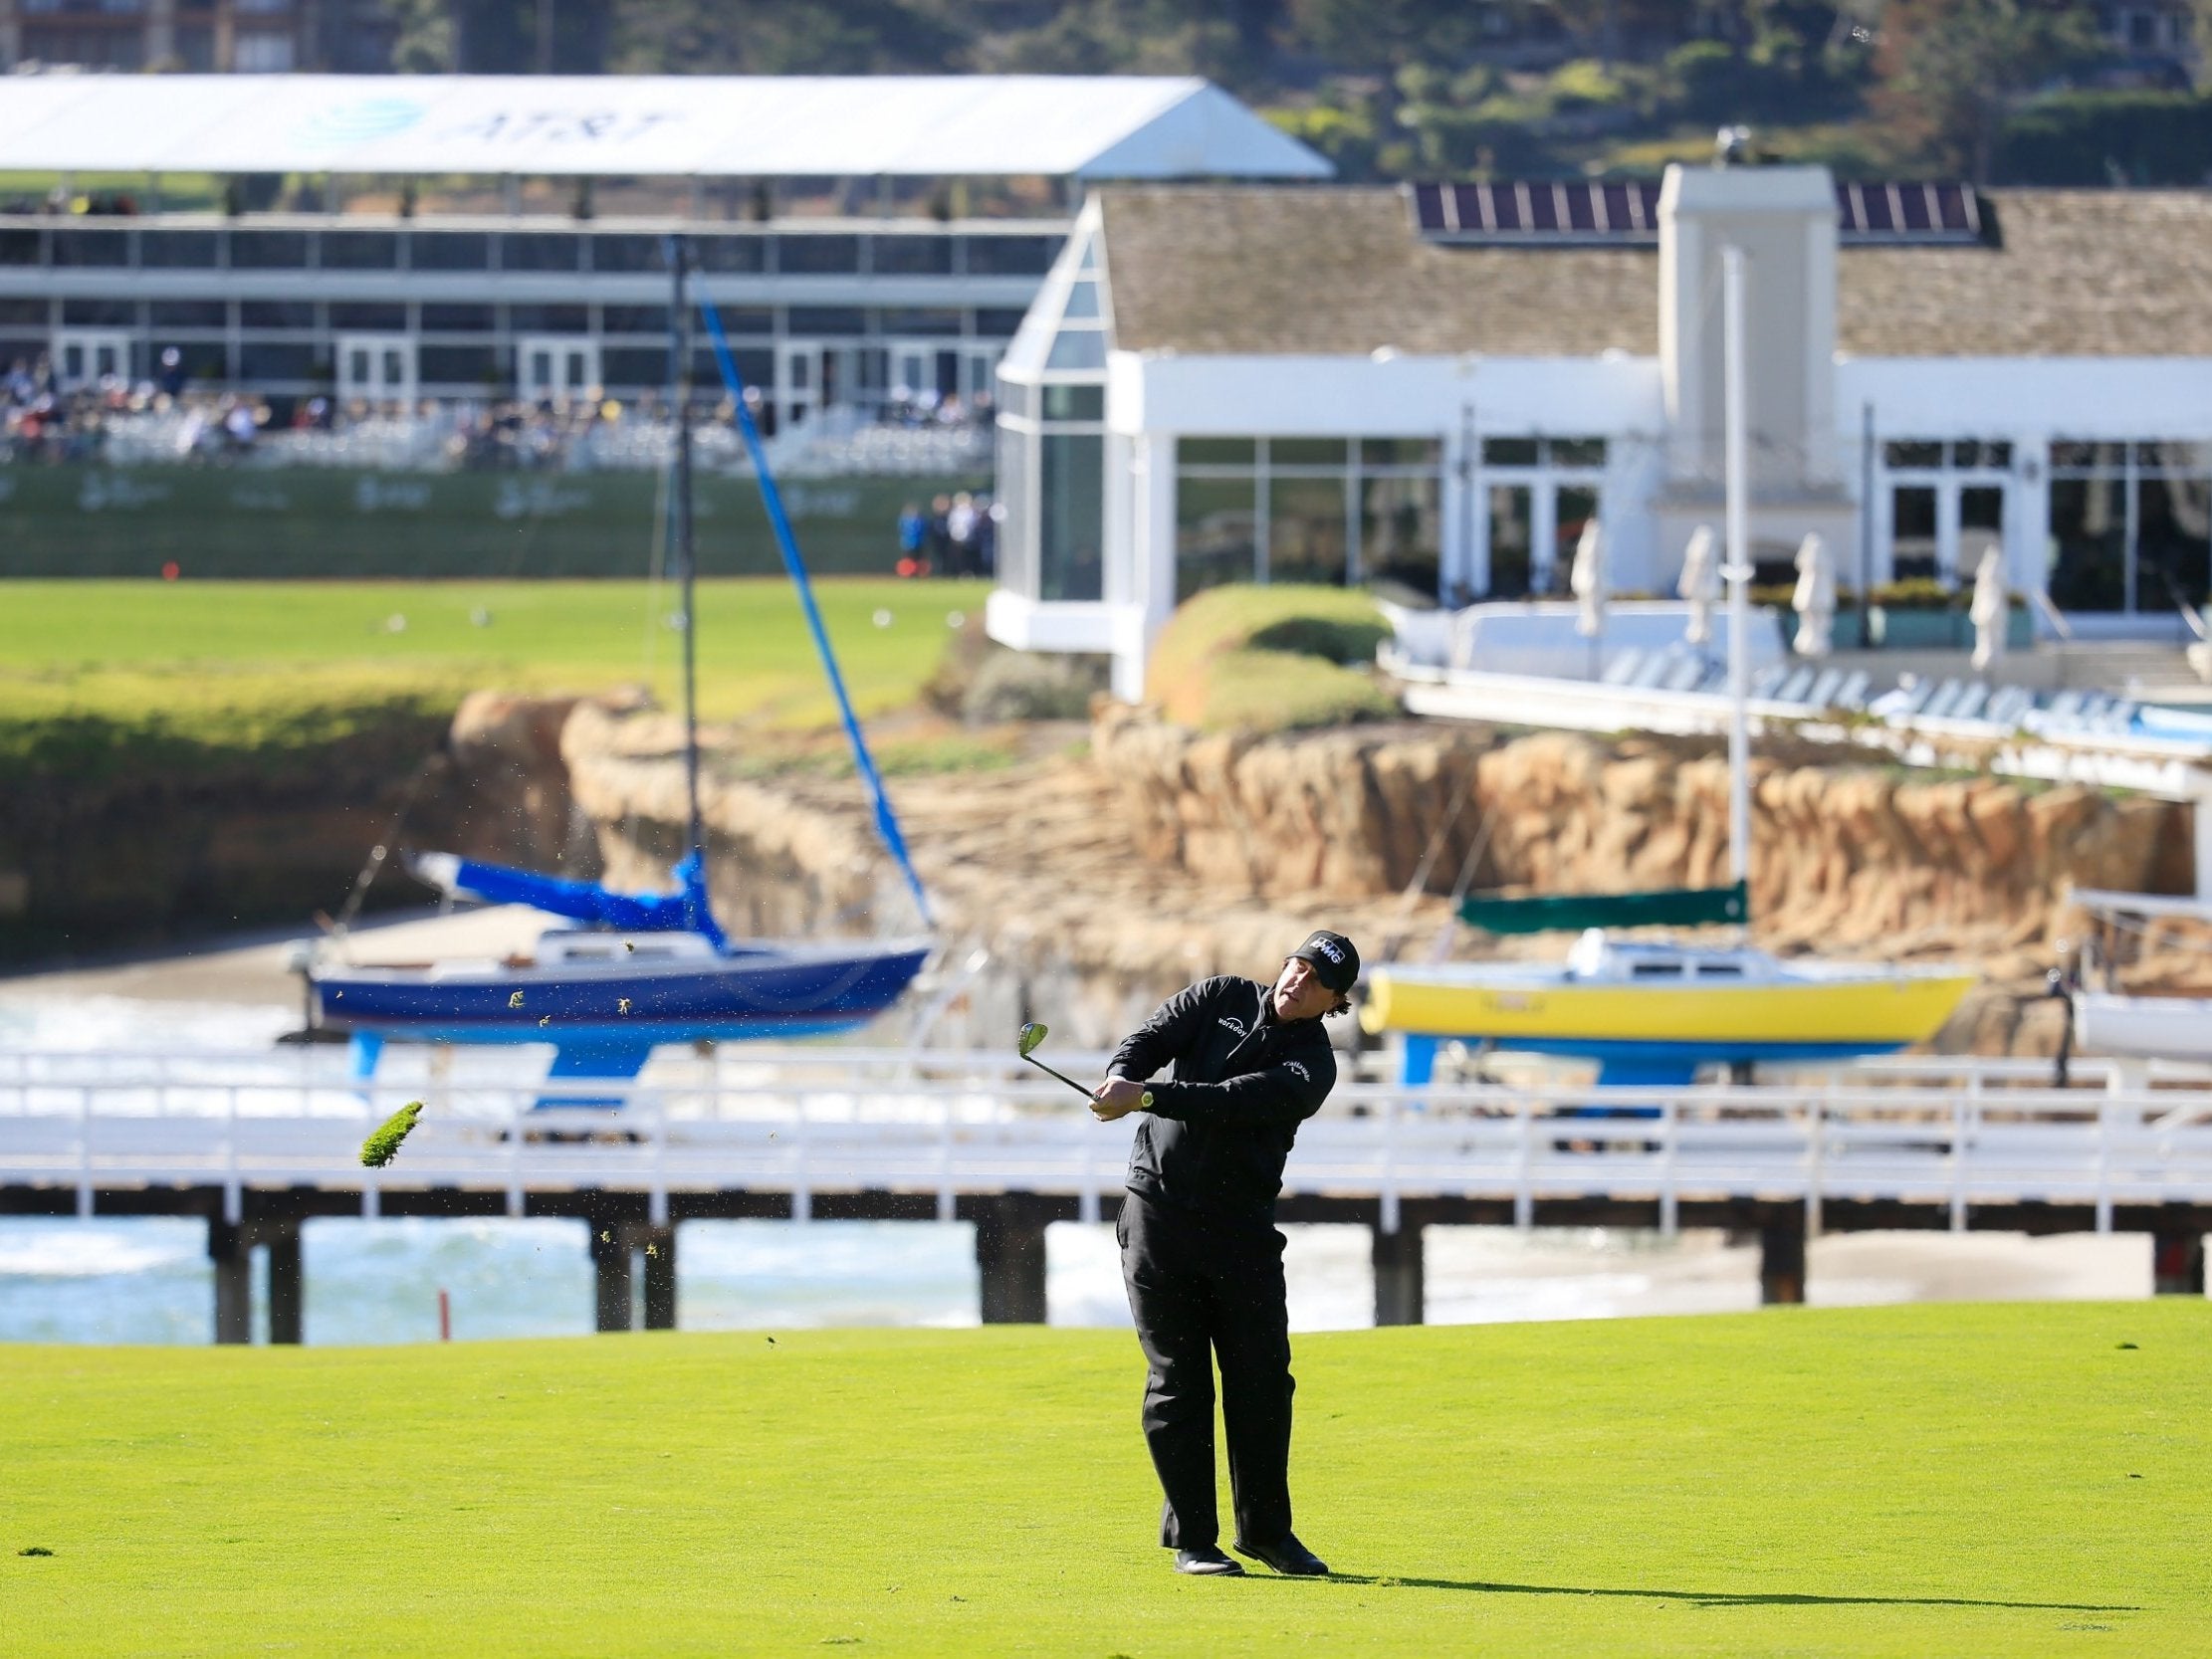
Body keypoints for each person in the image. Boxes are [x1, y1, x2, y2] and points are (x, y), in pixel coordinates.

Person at [1090, 930, 1361, 1578]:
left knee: (1263, 1382)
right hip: (1158, 1217)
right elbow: (1152, 1038)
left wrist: (1149, 1096)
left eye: (1316, 979)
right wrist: (1124, 1073)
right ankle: (1194, 1541)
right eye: (1298, 964)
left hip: (1241, 1232)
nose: (1298, 980)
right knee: (1178, 1379)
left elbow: (1233, 1102)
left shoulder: (1312, 1064)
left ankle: (1266, 1533)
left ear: (1333, 1000)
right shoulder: (1220, 996)